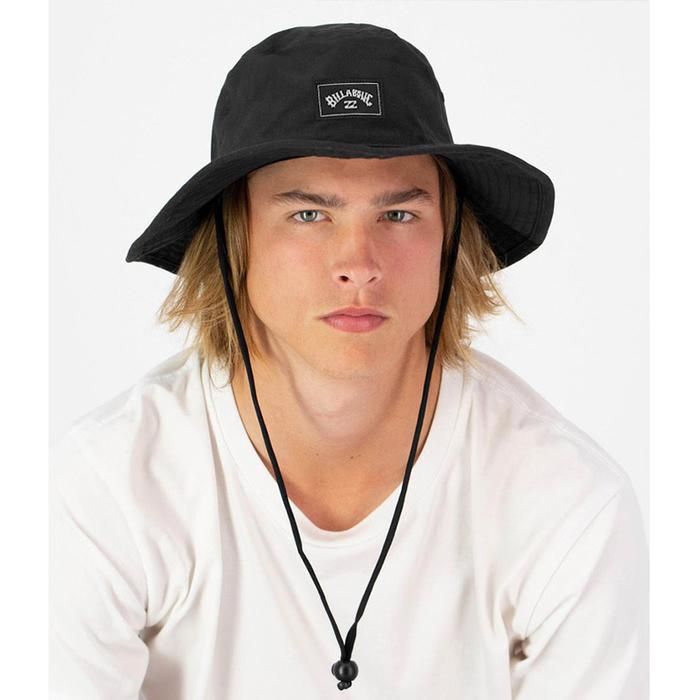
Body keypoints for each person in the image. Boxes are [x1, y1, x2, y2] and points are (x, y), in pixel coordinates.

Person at [49, 23, 648, 699]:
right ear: (233, 239)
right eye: (309, 214)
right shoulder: (110, 489)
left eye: (398, 215)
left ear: (450, 239)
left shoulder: (566, 503)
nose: (358, 264)